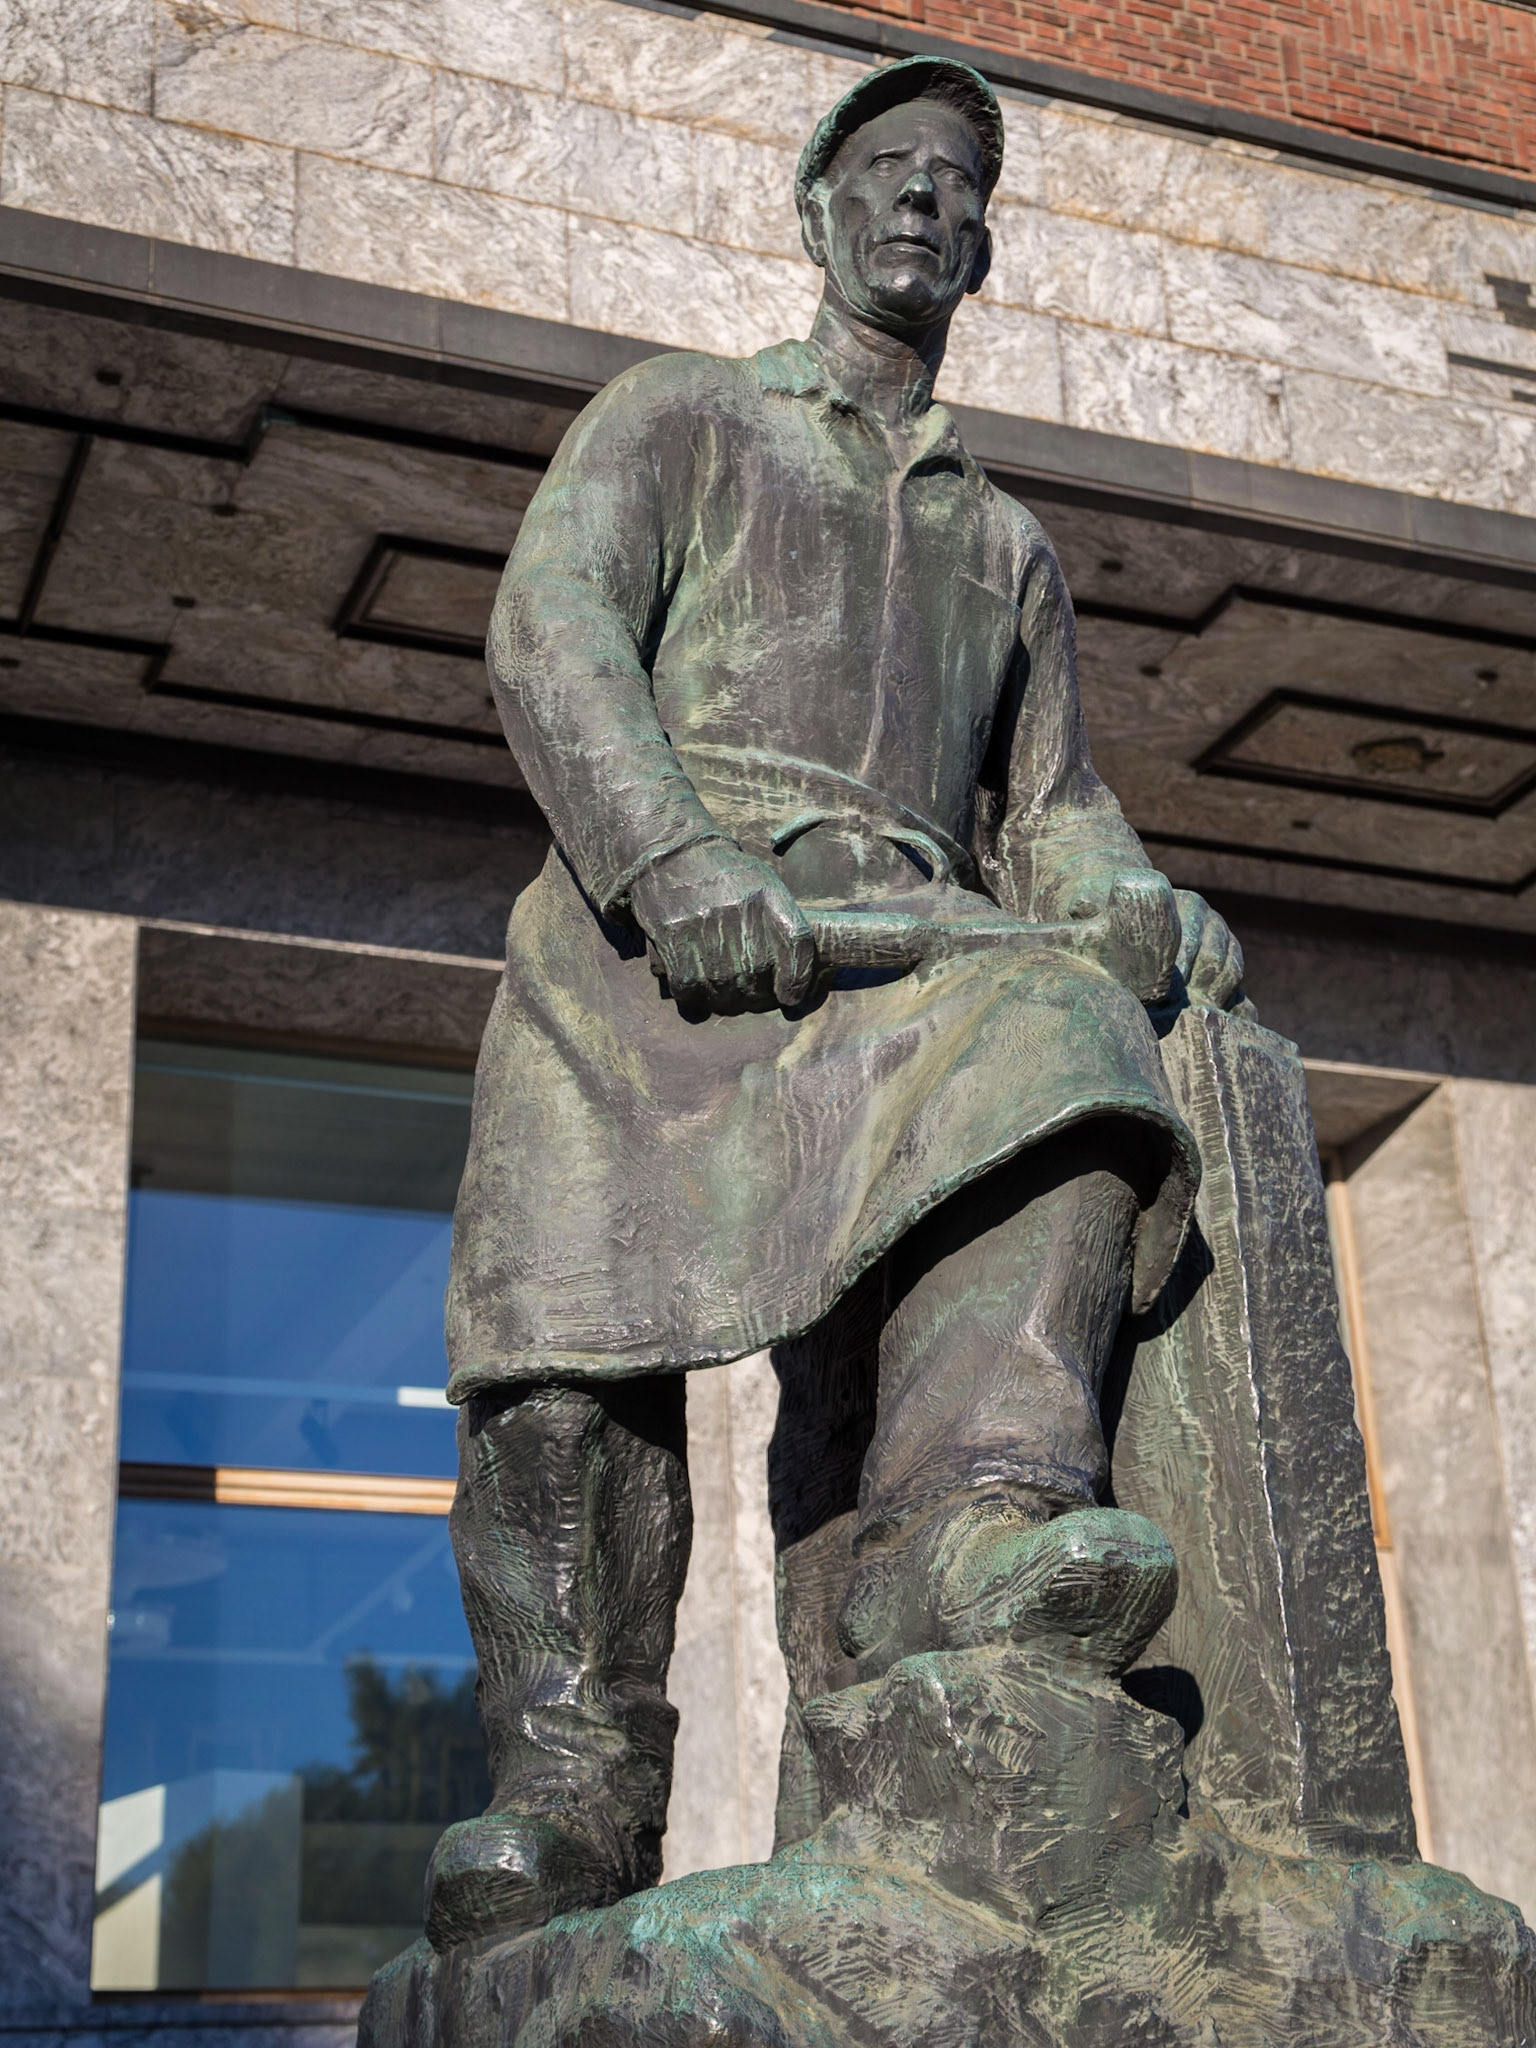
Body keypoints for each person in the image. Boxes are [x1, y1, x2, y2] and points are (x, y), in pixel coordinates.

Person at [425, 55, 1245, 1951]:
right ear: (814, 213)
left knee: (1074, 1050)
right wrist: (676, 858)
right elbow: (550, 625)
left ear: (984, 249)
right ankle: (571, 1793)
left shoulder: (1004, 540)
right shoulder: (683, 418)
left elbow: (1056, 811)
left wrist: (1124, 902)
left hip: (910, 963)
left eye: (957, 188)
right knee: (563, 1342)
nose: (920, 206)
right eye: (884, 173)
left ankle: (968, 1545)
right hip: (663, 950)